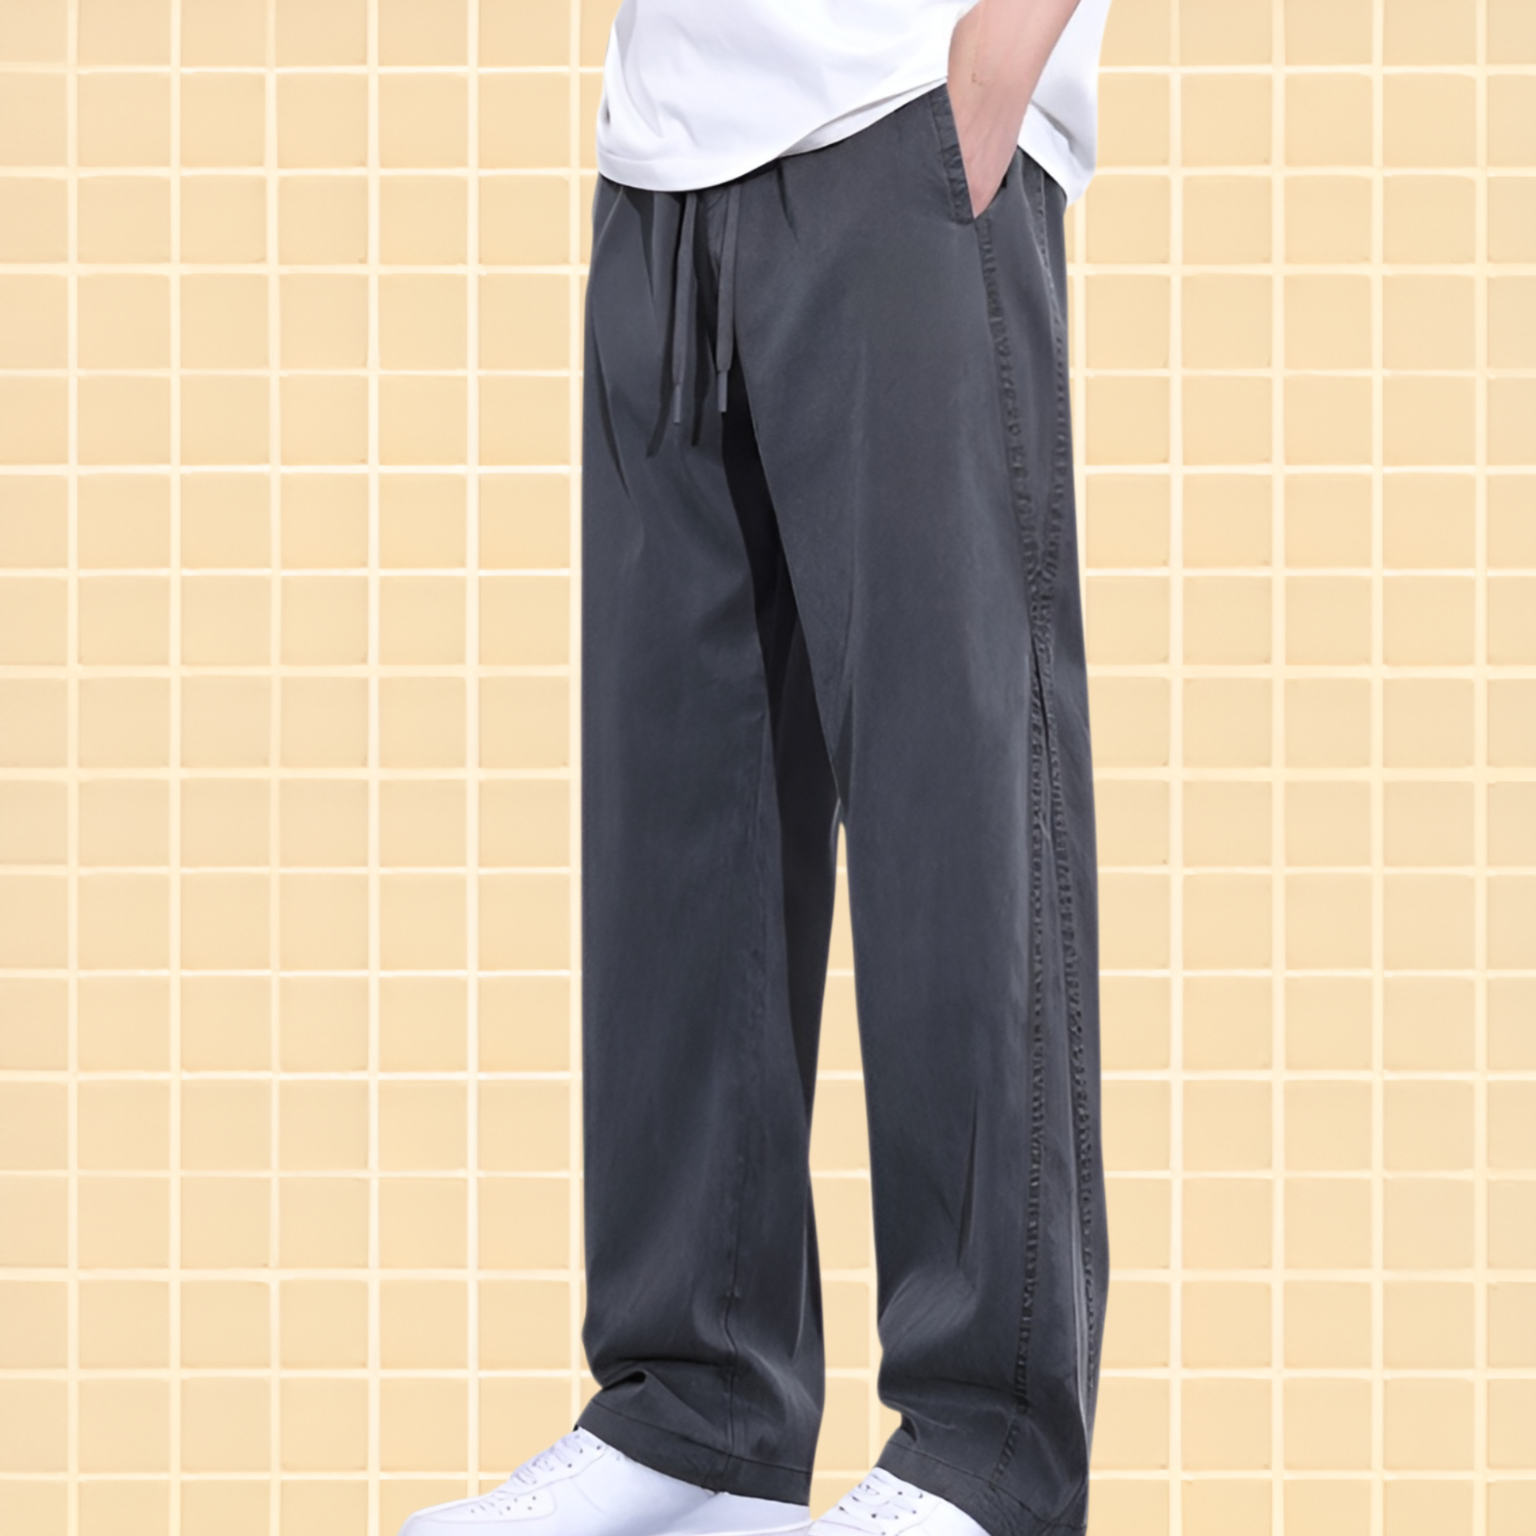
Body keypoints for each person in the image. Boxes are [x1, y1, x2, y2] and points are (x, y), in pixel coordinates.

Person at [398, 2, 1113, 1535]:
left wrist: (1000, 59)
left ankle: (988, 1447)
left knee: (953, 803)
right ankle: (692, 1410)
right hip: (666, 145)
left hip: (906, 105)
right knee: (677, 816)